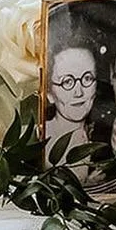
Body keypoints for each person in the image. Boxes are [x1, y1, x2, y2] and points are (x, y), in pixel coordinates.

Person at [44, 34, 100, 169]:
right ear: (49, 93)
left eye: (87, 78)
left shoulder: (104, 139)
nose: (79, 92)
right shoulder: (40, 138)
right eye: (67, 82)